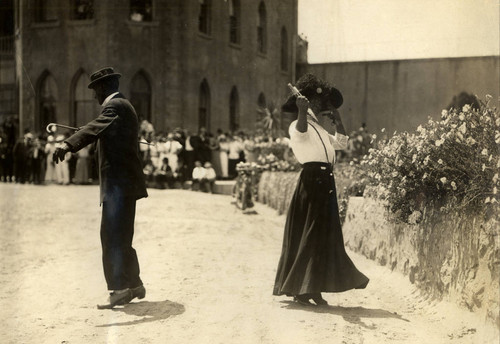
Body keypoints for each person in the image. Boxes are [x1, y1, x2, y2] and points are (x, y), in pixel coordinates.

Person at [53, 67, 148, 309]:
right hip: (125, 184)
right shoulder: (124, 106)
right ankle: (134, 283)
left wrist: (68, 144)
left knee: (111, 236)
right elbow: (102, 129)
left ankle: (118, 289)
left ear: (104, 88)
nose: (94, 96)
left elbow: (96, 126)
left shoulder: (114, 107)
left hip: (118, 185)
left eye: (95, 90)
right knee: (122, 235)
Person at [273, 73, 369, 306]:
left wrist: (337, 117)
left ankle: (312, 287)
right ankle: (304, 289)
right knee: (311, 235)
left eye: (318, 104)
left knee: (323, 237)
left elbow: (343, 143)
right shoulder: (298, 125)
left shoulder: (322, 130)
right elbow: (302, 132)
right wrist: (302, 111)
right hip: (312, 181)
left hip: (326, 182)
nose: (317, 106)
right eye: (314, 103)